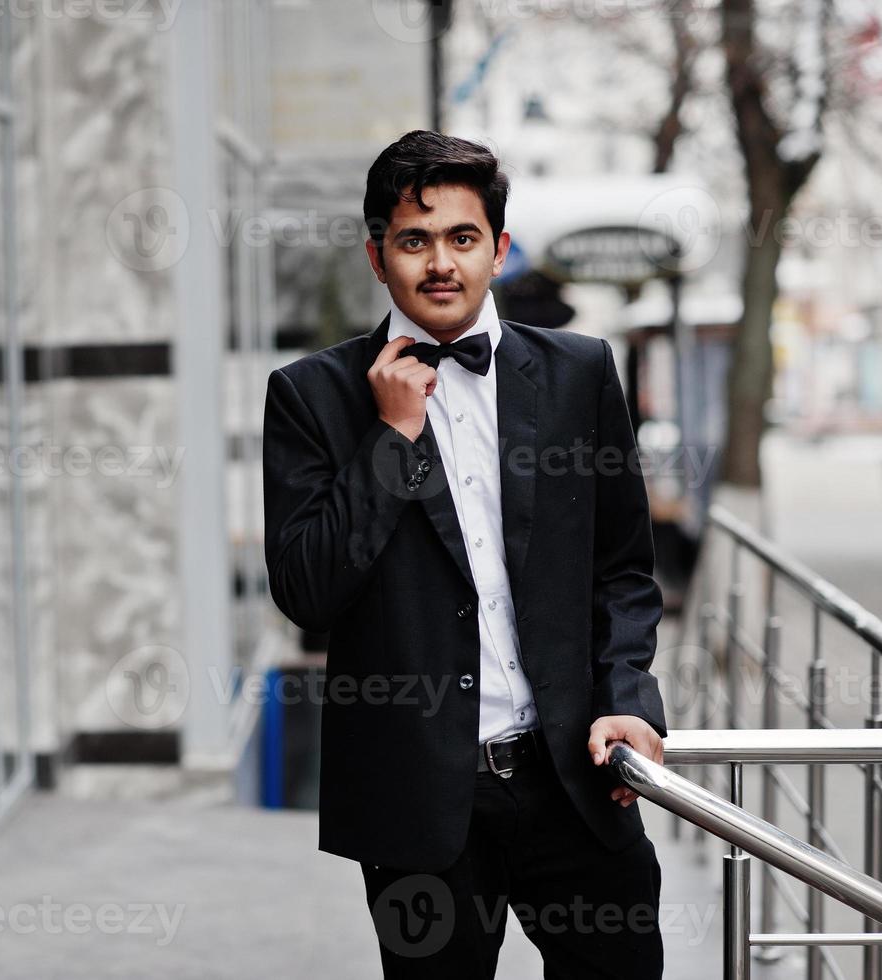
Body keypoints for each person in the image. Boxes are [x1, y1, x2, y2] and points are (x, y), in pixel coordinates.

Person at [261, 129, 668, 978]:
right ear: (378, 257)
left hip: (573, 780)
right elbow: (306, 590)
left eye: (461, 237)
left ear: (497, 249)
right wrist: (391, 437)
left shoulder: (579, 374)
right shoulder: (310, 396)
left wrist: (628, 697)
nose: (439, 262)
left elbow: (622, 570)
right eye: (414, 240)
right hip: (418, 802)